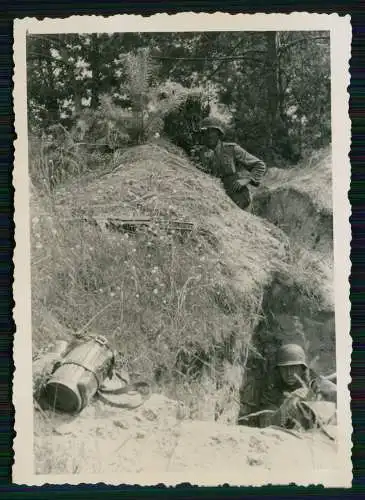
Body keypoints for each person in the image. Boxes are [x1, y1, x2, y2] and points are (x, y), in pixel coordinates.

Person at [191, 117, 266, 210]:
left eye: (212, 131)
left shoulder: (231, 149)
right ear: (202, 134)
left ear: (219, 134)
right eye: (206, 132)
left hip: (238, 198)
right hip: (213, 199)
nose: (209, 135)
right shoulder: (197, 153)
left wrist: (247, 180)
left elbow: (259, 165)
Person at [257, 343, 337, 429]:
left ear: (302, 368)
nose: (289, 373)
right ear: (278, 370)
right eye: (284, 368)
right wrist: (287, 405)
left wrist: (312, 394)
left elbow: (336, 394)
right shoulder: (272, 388)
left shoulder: (312, 380)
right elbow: (265, 424)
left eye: (294, 367)